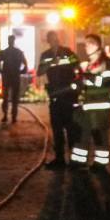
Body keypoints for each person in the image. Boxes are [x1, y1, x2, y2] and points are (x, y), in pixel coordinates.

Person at [71, 33, 110, 169]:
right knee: (82, 132)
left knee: (99, 134)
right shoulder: (88, 64)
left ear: (96, 45)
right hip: (87, 105)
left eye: (89, 43)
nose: (86, 47)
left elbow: (105, 81)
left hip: (100, 105)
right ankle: (79, 161)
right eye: (85, 44)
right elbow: (82, 83)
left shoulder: (106, 62)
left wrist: (87, 77)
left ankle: (101, 163)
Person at [37, 30, 80, 169]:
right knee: (57, 128)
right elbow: (40, 71)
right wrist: (50, 64)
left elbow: (77, 65)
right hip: (55, 95)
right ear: (48, 41)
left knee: (71, 127)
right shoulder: (45, 55)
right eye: (51, 39)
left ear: (58, 39)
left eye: (55, 38)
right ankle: (60, 158)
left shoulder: (67, 52)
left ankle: (74, 158)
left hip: (68, 94)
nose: (53, 40)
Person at [0, 34, 29, 124]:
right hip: (12, 77)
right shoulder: (16, 52)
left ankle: (9, 116)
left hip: (9, 77)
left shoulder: (5, 52)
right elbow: (25, 65)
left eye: (11, 40)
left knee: (8, 97)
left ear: (11, 41)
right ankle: (10, 116)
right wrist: (21, 71)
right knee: (11, 98)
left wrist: (1, 70)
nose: (10, 42)